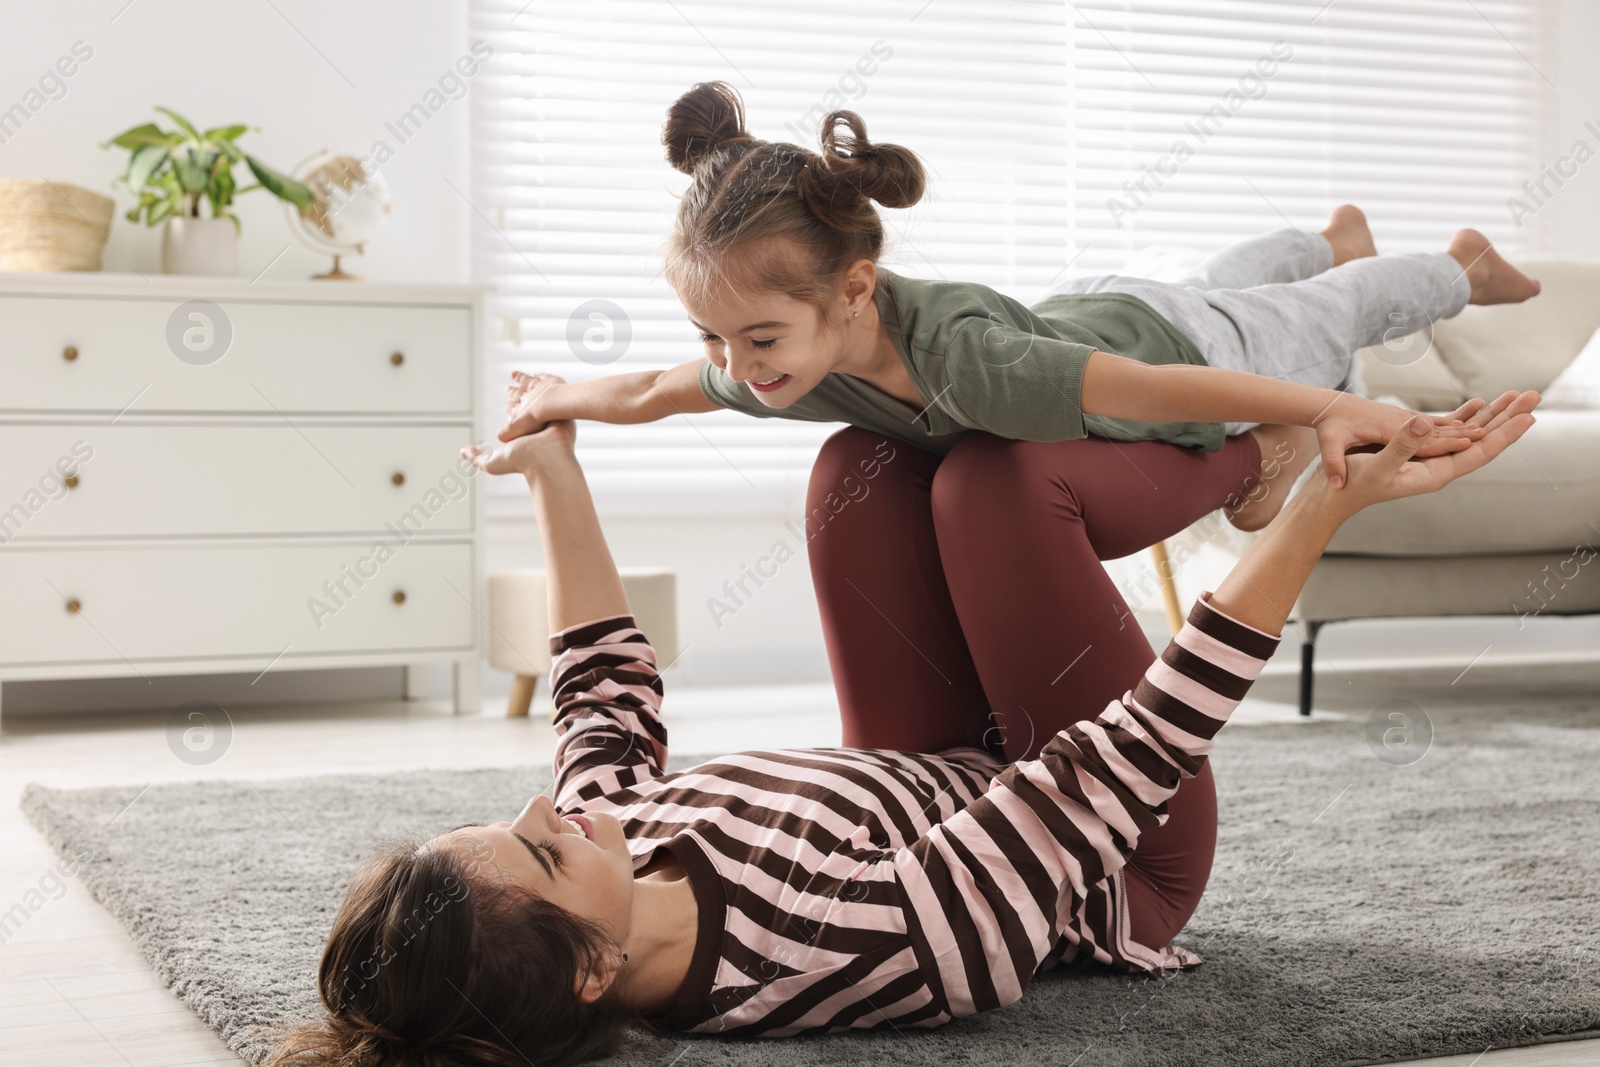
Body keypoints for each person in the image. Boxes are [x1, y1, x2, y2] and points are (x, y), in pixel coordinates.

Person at [266, 388, 1538, 1067]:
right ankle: (1248, 462)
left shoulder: (618, 847)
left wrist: (555, 466)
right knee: (993, 481)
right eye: (542, 847)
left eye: (515, 817)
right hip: (1119, 849)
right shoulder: (854, 950)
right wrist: (1324, 508)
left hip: (942, 763)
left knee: (858, 464)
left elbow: (600, 690)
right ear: (593, 970)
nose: (553, 806)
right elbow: (1123, 759)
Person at [496, 80, 1541, 529]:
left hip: (1170, 337)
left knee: (1329, 313)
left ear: (853, 289)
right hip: (1087, 308)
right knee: (1211, 280)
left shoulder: (966, 363)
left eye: (755, 335)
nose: (735, 360)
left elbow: (1153, 380)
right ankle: (1323, 236)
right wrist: (557, 396)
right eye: (715, 335)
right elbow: (654, 387)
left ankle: (1454, 261)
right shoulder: (783, 362)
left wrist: (1317, 409)